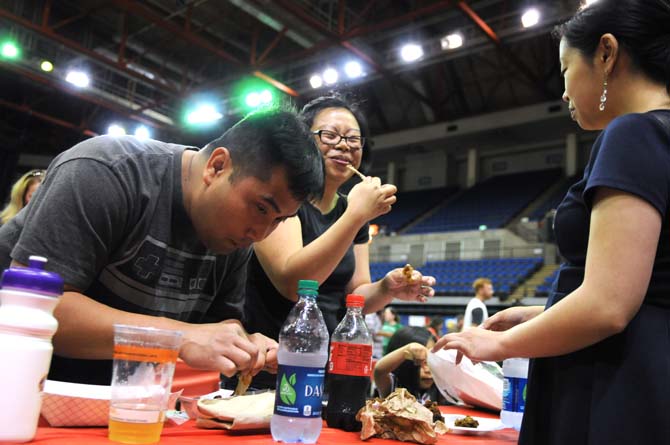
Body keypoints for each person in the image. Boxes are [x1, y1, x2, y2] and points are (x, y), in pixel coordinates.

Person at [433, 1, 670, 443]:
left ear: (606, 53)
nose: (563, 92)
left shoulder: (633, 133)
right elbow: (647, 288)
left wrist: (499, 346)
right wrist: (537, 315)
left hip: (615, 381)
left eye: (564, 69)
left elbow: (608, 305)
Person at [0, 107, 325, 385]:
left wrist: (239, 344)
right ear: (217, 166)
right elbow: (41, 310)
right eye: (262, 208)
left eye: (280, 220)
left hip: (119, 403)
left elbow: (218, 324)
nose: (261, 233)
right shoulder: (107, 172)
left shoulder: (237, 238)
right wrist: (179, 337)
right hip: (21, 388)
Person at [242, 94, 436, 387]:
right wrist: (356, 214)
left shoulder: (352, 212)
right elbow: (294, 285)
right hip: (266, 369)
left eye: (353, 139)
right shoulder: (284, 196)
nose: (344, 145)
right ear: (303, 141)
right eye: (330, 135)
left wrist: (387, 288)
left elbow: (356, 295)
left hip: (327, 367)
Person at [373, 326, 446, 404]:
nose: (427, 370)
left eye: (429, 360)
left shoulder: (438, 386)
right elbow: (379, 370)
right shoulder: (392, 385)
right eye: (419, 360)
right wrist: (407, 350)